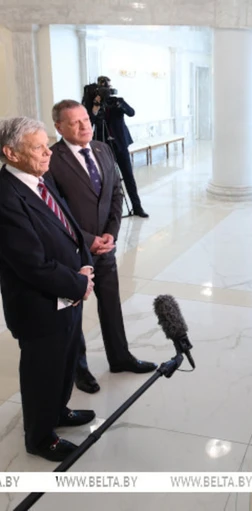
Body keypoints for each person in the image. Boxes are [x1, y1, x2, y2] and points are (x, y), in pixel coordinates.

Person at [0, 117, 96, 461]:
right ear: (11, 153)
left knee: (66, 361)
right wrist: (80, 283)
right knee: (42, 373)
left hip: (68, 295)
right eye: (38, 147)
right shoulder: (5, 197)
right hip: (39, 306)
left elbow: (69, 226)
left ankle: (58, 411)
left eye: (47, 144)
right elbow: (32, 264)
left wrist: (86, 264)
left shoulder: (41, 178)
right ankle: (40, 437)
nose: (48, 152)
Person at [47, 100, 157, 394]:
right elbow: (53, 211)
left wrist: (111, 234)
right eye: (75, 122)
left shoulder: (102, 149)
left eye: (86, 119)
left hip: (105, 248)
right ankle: (79, 370)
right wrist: (87, 239)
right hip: (71, 252)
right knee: (73, 315)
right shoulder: (52, 159)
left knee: (111, 305)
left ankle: (120, 357)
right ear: (59, 127)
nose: (85, 126)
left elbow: (116, 192)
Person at [84, 76, 148, 217]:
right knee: (107, 179)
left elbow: (131, 112)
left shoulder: (118, 101)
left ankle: (137, 207)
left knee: (128, 176)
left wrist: (120, 105)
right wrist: (95, 106)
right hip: (102, 147)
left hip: (120, 144)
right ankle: (108, 211)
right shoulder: (94, 104)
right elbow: (89, 123)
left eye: (107, 88)